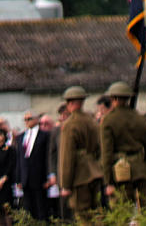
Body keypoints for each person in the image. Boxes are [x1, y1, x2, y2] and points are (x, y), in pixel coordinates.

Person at [99, 81, 146, 206]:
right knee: (145, 211)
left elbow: (107, 154)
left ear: (113, 98)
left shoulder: (108, 120)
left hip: (120, 172)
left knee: (122, 213)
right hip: (141, 169)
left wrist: (108, 181)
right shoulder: (140, 118)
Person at [56, 86, 103, 219]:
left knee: (83, 216)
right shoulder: (92, 121)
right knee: (96, 214)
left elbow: (67, 156)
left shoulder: (70, 124)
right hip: (95, 171)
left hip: (79, 176)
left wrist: (65, 185)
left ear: (69, 103)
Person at [16, 110, 53, 222]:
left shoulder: (45, 135)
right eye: (25, 119)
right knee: (28, 209)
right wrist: (18, 179)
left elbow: (48, 157)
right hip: (25, 178)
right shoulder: (21, 137)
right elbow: (19, 159)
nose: (27, 121)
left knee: (41, 209)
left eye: (29, 119)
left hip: (40, 177)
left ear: (37, 119)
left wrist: (48, 176)